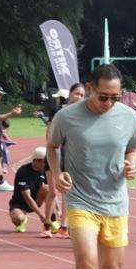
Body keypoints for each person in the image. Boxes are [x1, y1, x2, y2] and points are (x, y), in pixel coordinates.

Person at [47, 64, 136, 269]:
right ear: (89, 88)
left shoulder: (128, 117)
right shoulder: (67, 117)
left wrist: (131, 166)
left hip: (115, 203)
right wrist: (58, 174)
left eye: (115, 97)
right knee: (86, 263)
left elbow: (132, 150)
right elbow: (52, 147)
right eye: (103, 97)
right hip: (80, 199)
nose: (109, 103)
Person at [42, 83, 86, 239]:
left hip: (70, 155)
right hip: (55, 152)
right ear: (70, 94)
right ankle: (46, 224)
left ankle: (64, 226)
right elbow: (49, 134)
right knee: (53, 191)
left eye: (82, 95)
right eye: (76, 94)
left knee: (68, 192)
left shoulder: (84, 114)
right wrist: (54, 146)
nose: (79, 97)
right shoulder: (58, 112)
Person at [8, 147, 49, 233]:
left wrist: (57, 211)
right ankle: (23, 219)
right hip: (20, 203)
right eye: (45, 162)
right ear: (36, 161)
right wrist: (41, 216)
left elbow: (52, 194)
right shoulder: (23, 171)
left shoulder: (46, 171)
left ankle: (52, 220)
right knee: (17, 219)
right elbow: (27, 197)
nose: (46, 164)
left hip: (37, 200)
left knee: (47, 187)